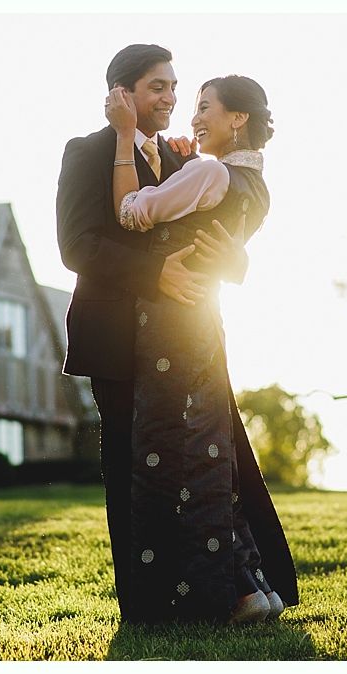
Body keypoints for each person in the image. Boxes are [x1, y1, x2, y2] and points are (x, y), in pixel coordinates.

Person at [104, 73, 299, 624]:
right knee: (209, 457)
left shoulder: (211, 172)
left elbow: (131, 213)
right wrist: (186, 167)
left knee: (165, 458)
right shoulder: (254, 186)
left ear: (237, 119)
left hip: (169, 322)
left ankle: (197, 598)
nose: (193, 116)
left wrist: (125, 142)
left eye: (205, 106)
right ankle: (246, 586)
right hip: (205, 326)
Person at [57, 44, 239, 623]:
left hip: (184, 337)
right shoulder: (86, 151)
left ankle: (203, 592)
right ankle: (142, 604)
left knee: (192, 464)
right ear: (122, 93)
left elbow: (215, 233)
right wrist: (153, 274)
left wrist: (236, 262)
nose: (171, 98)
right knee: (132, 471)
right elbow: (76, 246)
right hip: (114, 336)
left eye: (174, 87)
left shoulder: (185, 160)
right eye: (157, 87)